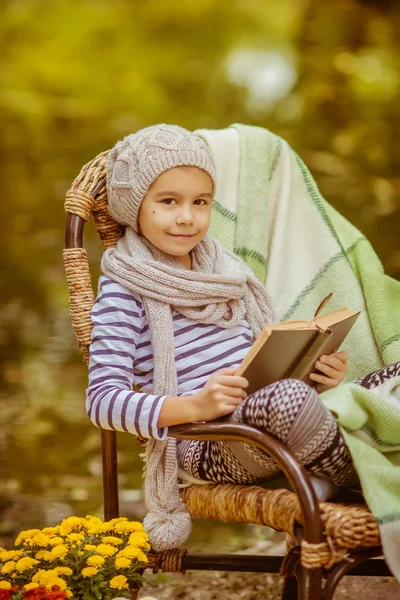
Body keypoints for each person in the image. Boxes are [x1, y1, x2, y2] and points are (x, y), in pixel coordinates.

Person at [86, 124, 399, 550]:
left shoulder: (225, 268)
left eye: (200, 202)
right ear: (133, 207)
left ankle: (325, 468)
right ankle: (361, 478)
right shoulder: (124, 289)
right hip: (209, 439)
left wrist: (317, 372)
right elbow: (102, 402)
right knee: (288, 401)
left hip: (268, 412)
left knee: (378, 377)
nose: (187, 216)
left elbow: (260, 363)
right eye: (168, 201)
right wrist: (196, 404)